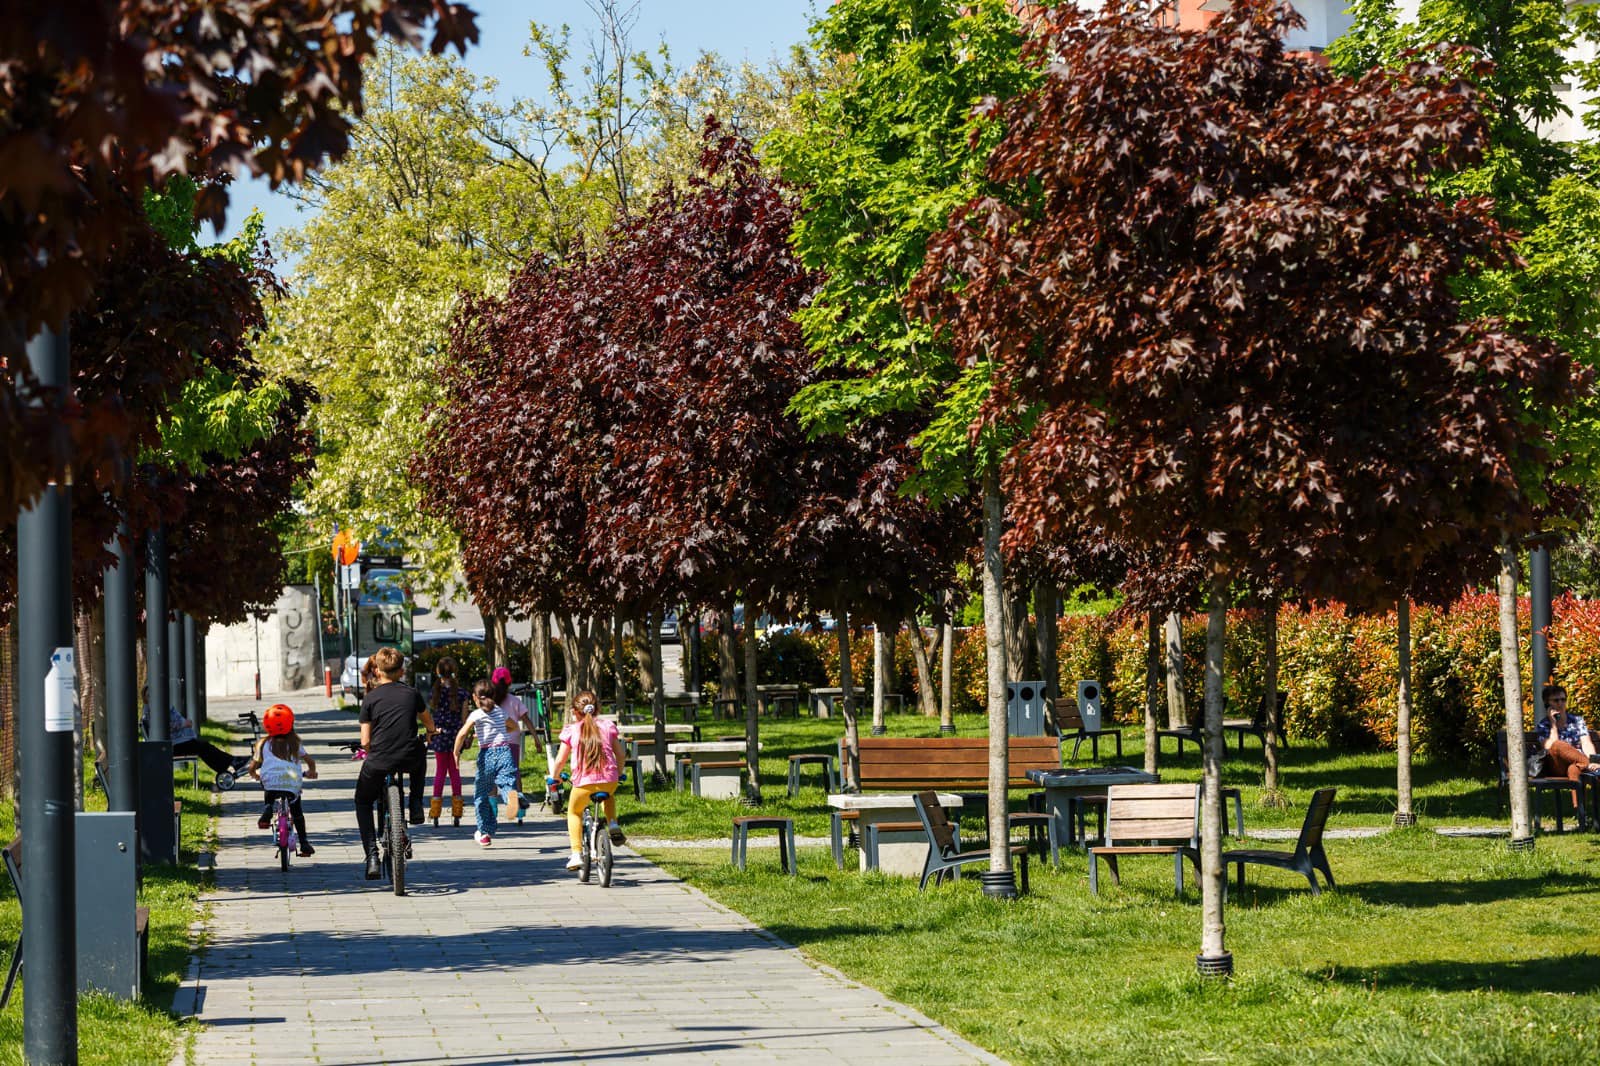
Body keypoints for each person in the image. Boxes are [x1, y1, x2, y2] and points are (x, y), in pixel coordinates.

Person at [354, 646, 436, 880]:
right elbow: (428, 722)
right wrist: (431, 732)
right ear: (402, 671)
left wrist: (370, 751)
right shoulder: (412, 694)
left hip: (379, 760)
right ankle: (417, 803)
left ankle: (371, 856)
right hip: (409, 756)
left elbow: (365, 740)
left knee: (362, 800)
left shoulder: (370, 699)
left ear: (377, 671)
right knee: (421, 756)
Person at [548, 689, 626, 871]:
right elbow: (620, 754)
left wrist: (555, 777)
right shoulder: (607, 726)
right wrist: (618, 773)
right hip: (609, 780)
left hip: (583, 783)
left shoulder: (572, 730)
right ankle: (613, 823)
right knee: (608, 795)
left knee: (574, 812)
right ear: (597, 708)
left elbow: (560, 760)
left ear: (575, 712)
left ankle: (576, 854)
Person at [453, 678, 523, 847]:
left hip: (487, 755)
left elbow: (462, 734)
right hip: (505, 751)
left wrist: (456, 753)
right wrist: (498, 730)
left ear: (475, 698)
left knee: (482, 794)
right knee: (507, 784)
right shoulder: (500, 711)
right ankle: (512, 798)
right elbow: (515, 727)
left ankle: (484, 832)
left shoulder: (476, 714)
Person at [249, 703, 319, 856]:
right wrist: (311, 772)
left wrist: (255, 775)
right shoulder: (295, 743)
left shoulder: (263, 744)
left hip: (270, 782)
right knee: (297, 812)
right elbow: (310, 762)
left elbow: (252, 767)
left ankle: (268, 808)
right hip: (291, 782)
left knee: (269, 791)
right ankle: (304, 843)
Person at [153, 696, 250, 780]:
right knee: (201, 747)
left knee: (202, 746)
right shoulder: (152, 709)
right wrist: (184, 723)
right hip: (171, 745)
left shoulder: (157, 707)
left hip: (176, 741)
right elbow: (164, 726)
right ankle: (232, 762)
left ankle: (230, 764)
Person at [1535, 685, 1598, 794]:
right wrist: (1553, 724)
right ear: (1547, 703)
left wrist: (1594, 761)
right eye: (1556, 700)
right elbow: (1549, 747)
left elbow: (1586, 743)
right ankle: (1592, 767)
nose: (1560, 703)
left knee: (1574, 769)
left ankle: (1579, 810)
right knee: (1558, 744)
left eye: (1563, 700)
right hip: (1556, 766)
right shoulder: (1543, 725)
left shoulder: (1577, 721)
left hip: (1576, 763)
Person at [428, 656, 468, 824]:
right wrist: (466, 736)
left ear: (438, 672)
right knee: (455, 772)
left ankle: (435, 810)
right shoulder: (462, 693)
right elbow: (465, 718)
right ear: (455, 672)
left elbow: (430, 715)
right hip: (455, 736)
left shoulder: (434, 692)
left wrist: (430, 732)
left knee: (440, 772)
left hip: (439, 735)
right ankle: (457, 811)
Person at [490, 667, 532, 803]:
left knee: (493, 774)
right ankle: (519, 807)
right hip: (512, 741)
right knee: (515, 772)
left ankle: (492, 807)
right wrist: (537, 740)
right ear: (509, 682)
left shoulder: (490, 702)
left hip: (493, 742)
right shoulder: (515, 700)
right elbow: (527, 720)